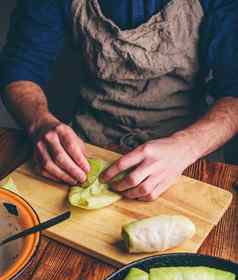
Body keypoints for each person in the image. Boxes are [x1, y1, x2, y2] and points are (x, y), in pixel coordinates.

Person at [0, 0, 238, 201]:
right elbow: (21, 65)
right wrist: (39, 122)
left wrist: (186, 146)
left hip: (189, 153)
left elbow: (234, 93)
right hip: (87, 146)